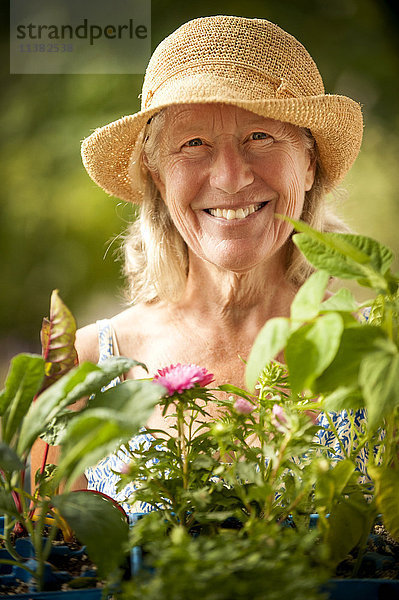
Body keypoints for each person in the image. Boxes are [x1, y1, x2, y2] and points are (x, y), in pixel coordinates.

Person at [33, 16, 365, 510]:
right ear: (157, 174)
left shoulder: (372, 357)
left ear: (310, 162)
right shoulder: (85, 367)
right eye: (193, 144)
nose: (231, 177)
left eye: (260, 136)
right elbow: (41, 558)